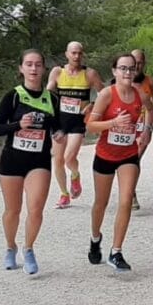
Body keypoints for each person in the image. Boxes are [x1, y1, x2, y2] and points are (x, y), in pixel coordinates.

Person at [0, 49, 63, 275]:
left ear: (43, 69)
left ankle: (29, 248)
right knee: (13, 210)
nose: (33, 69)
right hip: (12, 160)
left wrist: (59, 133)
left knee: (36, 209)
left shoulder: (51, 98)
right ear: (21, 68)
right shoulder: (12, 96)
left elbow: (58, 126)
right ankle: (10, 246)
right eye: (29, 64)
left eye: (38, 64)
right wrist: (18, 125)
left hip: (39, 161)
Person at [87, 53, 150, 272]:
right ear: (114, 71)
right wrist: (113, 122)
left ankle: (116, 251)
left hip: (128, 156)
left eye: (131, 69)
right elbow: (91, 126)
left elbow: (151, 108)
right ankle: (95, 238)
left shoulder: (140, 94)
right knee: (100, 204)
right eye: (123, 68)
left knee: (125, 200)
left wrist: (147, 130)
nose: (127, 73)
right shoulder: (107, 94)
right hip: (105, 155)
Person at [47, 41, 104, 209]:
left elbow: (105, 93)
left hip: (78, 122)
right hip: (60, 121)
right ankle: (64, 194)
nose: (77, 56)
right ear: (67, 54)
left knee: (68, 157)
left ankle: (75, 174)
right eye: (73, 53)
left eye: (79, 53)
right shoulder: (57, 72)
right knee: (57, 160)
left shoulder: (90, 74)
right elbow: (48, 93)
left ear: (83, 55)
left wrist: (92, 105)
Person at [130, 48, 153, 210]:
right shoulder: (123, 81)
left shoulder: (150, 82)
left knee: (135, 159)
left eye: (140, 62)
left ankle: (130, 192)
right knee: (128, 160)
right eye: (134, 62)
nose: (137, 66)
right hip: (127, 128)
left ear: (144, 63)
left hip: (144, 126)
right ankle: (129, 189)